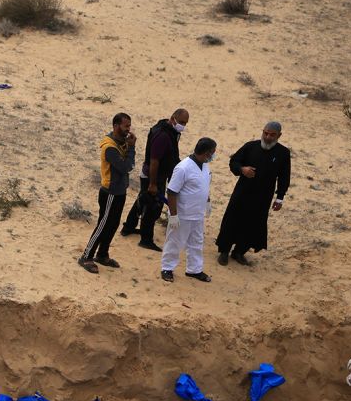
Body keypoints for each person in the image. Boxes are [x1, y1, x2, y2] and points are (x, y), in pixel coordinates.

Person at [215, 120, 292, 267]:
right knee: (232, 220)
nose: (268, 137)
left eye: (272, 135)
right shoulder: (251, 147)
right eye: (265, 133)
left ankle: (239, 252)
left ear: (279, 135)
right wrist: (242, 170)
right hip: (242, 192)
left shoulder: (283, 153)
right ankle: (224, 251)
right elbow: (234, 162)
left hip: (263, 196)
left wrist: (280, 198)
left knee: (253, 224)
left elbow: (284, 177)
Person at [121, 107, 188, 250]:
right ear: (172, 118)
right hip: (154, 175)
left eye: (185, 123)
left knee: (142, 199)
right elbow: (154, 160)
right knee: (153, 207)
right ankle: (146, 239)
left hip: (157, 174)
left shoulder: (169, 130)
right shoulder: (163, 135)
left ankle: (128, 227)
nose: (183, 125)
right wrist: (152, 183)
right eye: (181, 122)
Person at [78, 112, 135, 274]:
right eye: (126, 126)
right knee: (103, 224)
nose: (128, 130)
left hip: (120, 191)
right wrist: (131, 149)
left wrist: (129, 147)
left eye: (129, 126)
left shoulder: (121, 142)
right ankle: (86, 256)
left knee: (113, 224)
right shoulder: (109, 147)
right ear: (116, 126)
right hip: (109, 192)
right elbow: (126, 167)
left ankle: (102, 254)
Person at [161, 137, 216, 283]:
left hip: (197, 214)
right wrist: (173, 215)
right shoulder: (183, 168)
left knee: (196, 242)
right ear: (206, 153)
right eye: (212, 153)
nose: (213, 156)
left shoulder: (205, 166)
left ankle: (194, 269)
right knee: (175, 241)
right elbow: (172, 192)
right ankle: (167, 268)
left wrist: (207, 202)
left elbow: (204, 186)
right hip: (182, 214)